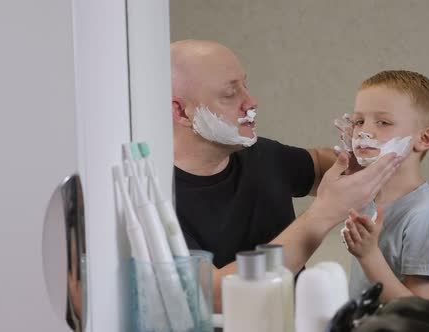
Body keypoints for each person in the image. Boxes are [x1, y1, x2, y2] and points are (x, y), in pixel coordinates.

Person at [170, 39, 402, 312]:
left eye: (245, 85)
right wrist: (323, 214)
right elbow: (214, 295)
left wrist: (359, 157)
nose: (251, 102)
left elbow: (316, 164)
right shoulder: (159, 199)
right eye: (231, 94)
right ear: (181, 111)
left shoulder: (260, 155)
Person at [342, 70, 429, 306]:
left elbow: (421, 311)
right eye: (358, 121)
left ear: (424, 139)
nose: (364, 131)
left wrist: (369, 255)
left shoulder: (425, 217)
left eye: (383, 122)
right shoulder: (368, 200)